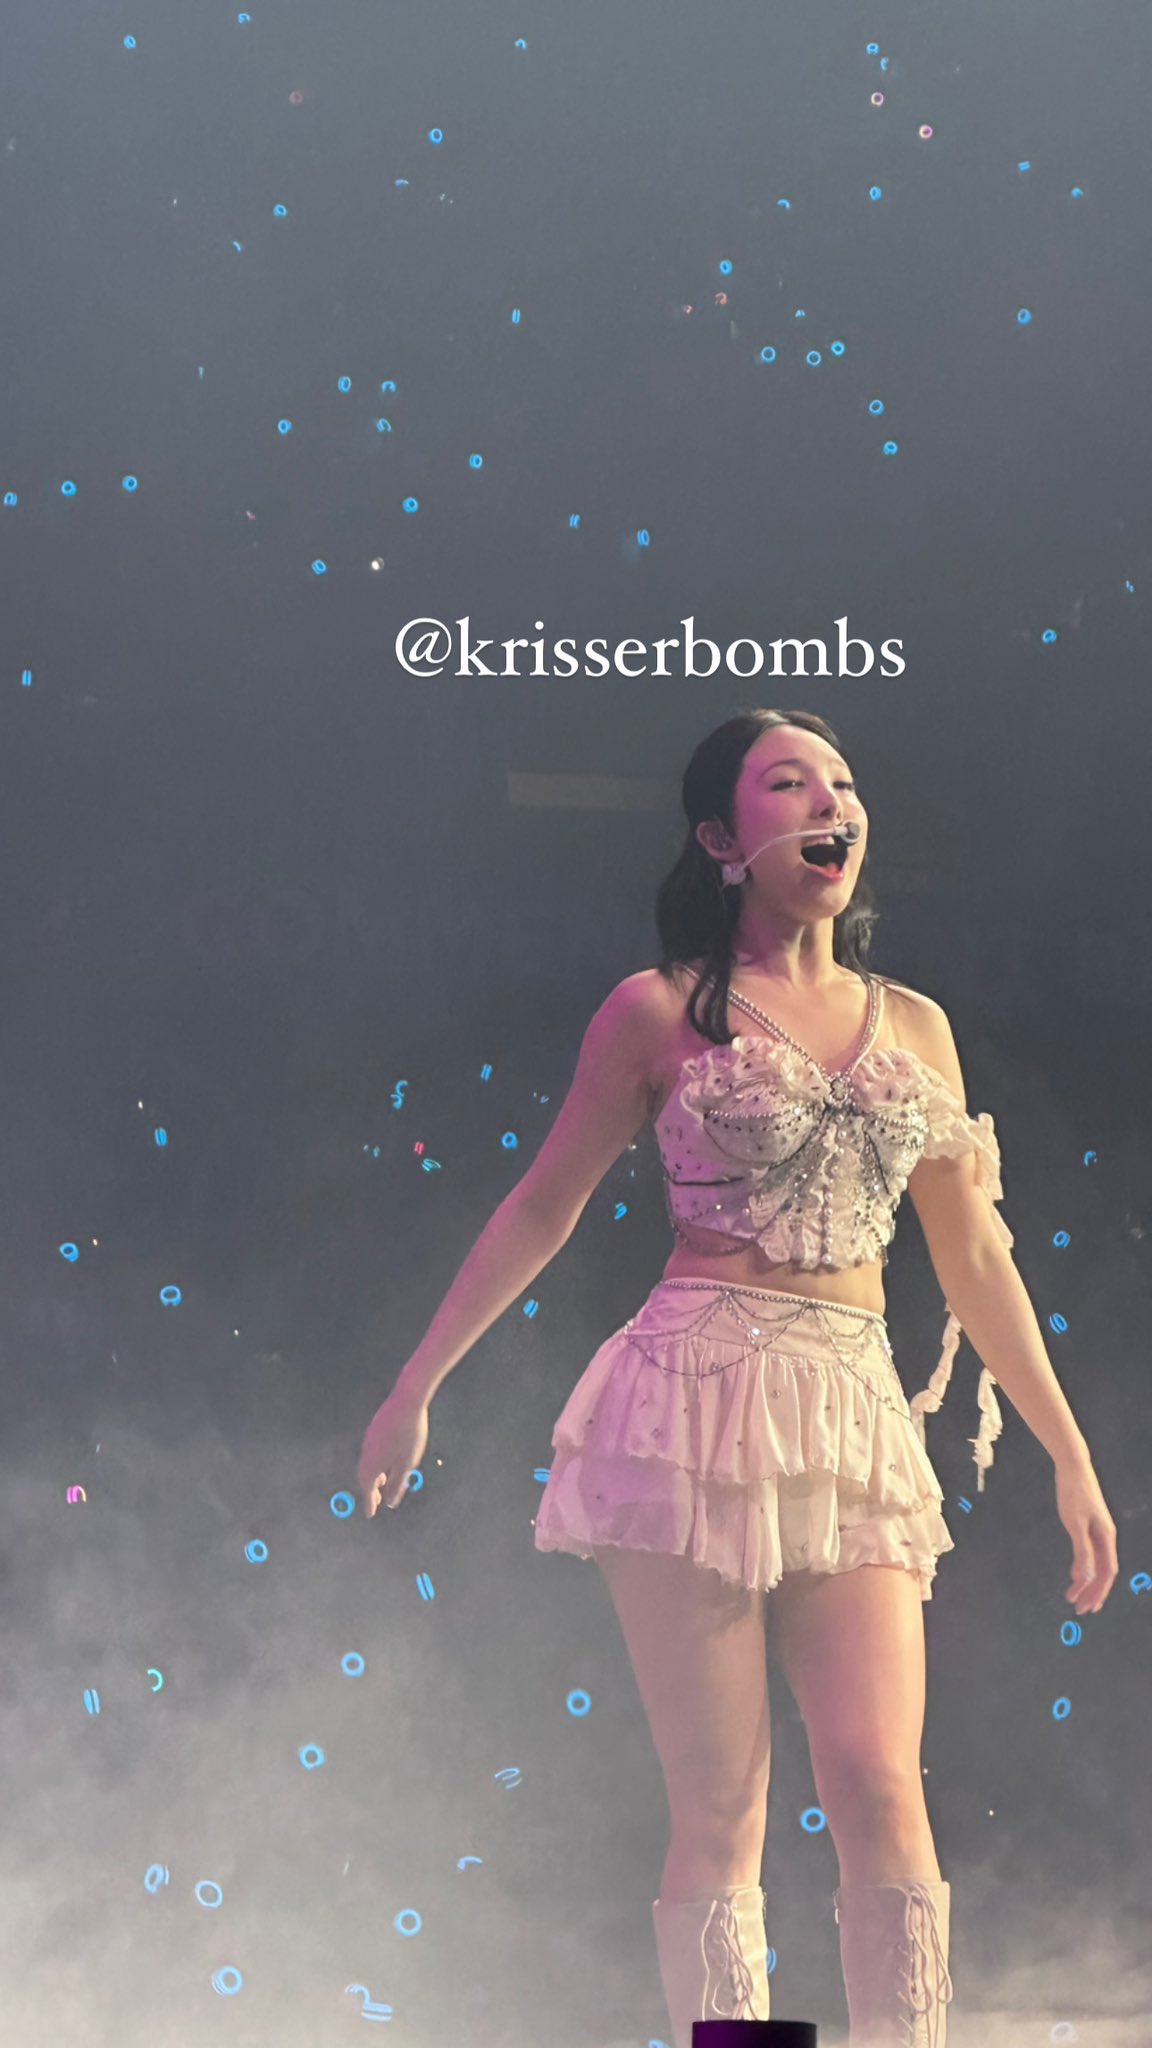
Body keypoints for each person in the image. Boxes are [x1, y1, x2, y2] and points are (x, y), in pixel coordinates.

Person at [357, 708, 1119, 2048]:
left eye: (843, 782)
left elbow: (975, 1258)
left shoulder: (916, 1027)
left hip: (852, 1410)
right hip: (690, 1403)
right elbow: (543, 1205)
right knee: (722, 1808)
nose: (830, 803)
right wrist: (416, 1384)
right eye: (789, 783)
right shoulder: (658, 1009)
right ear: (722, 838)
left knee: (881, 1781)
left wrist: (1068, 1450)